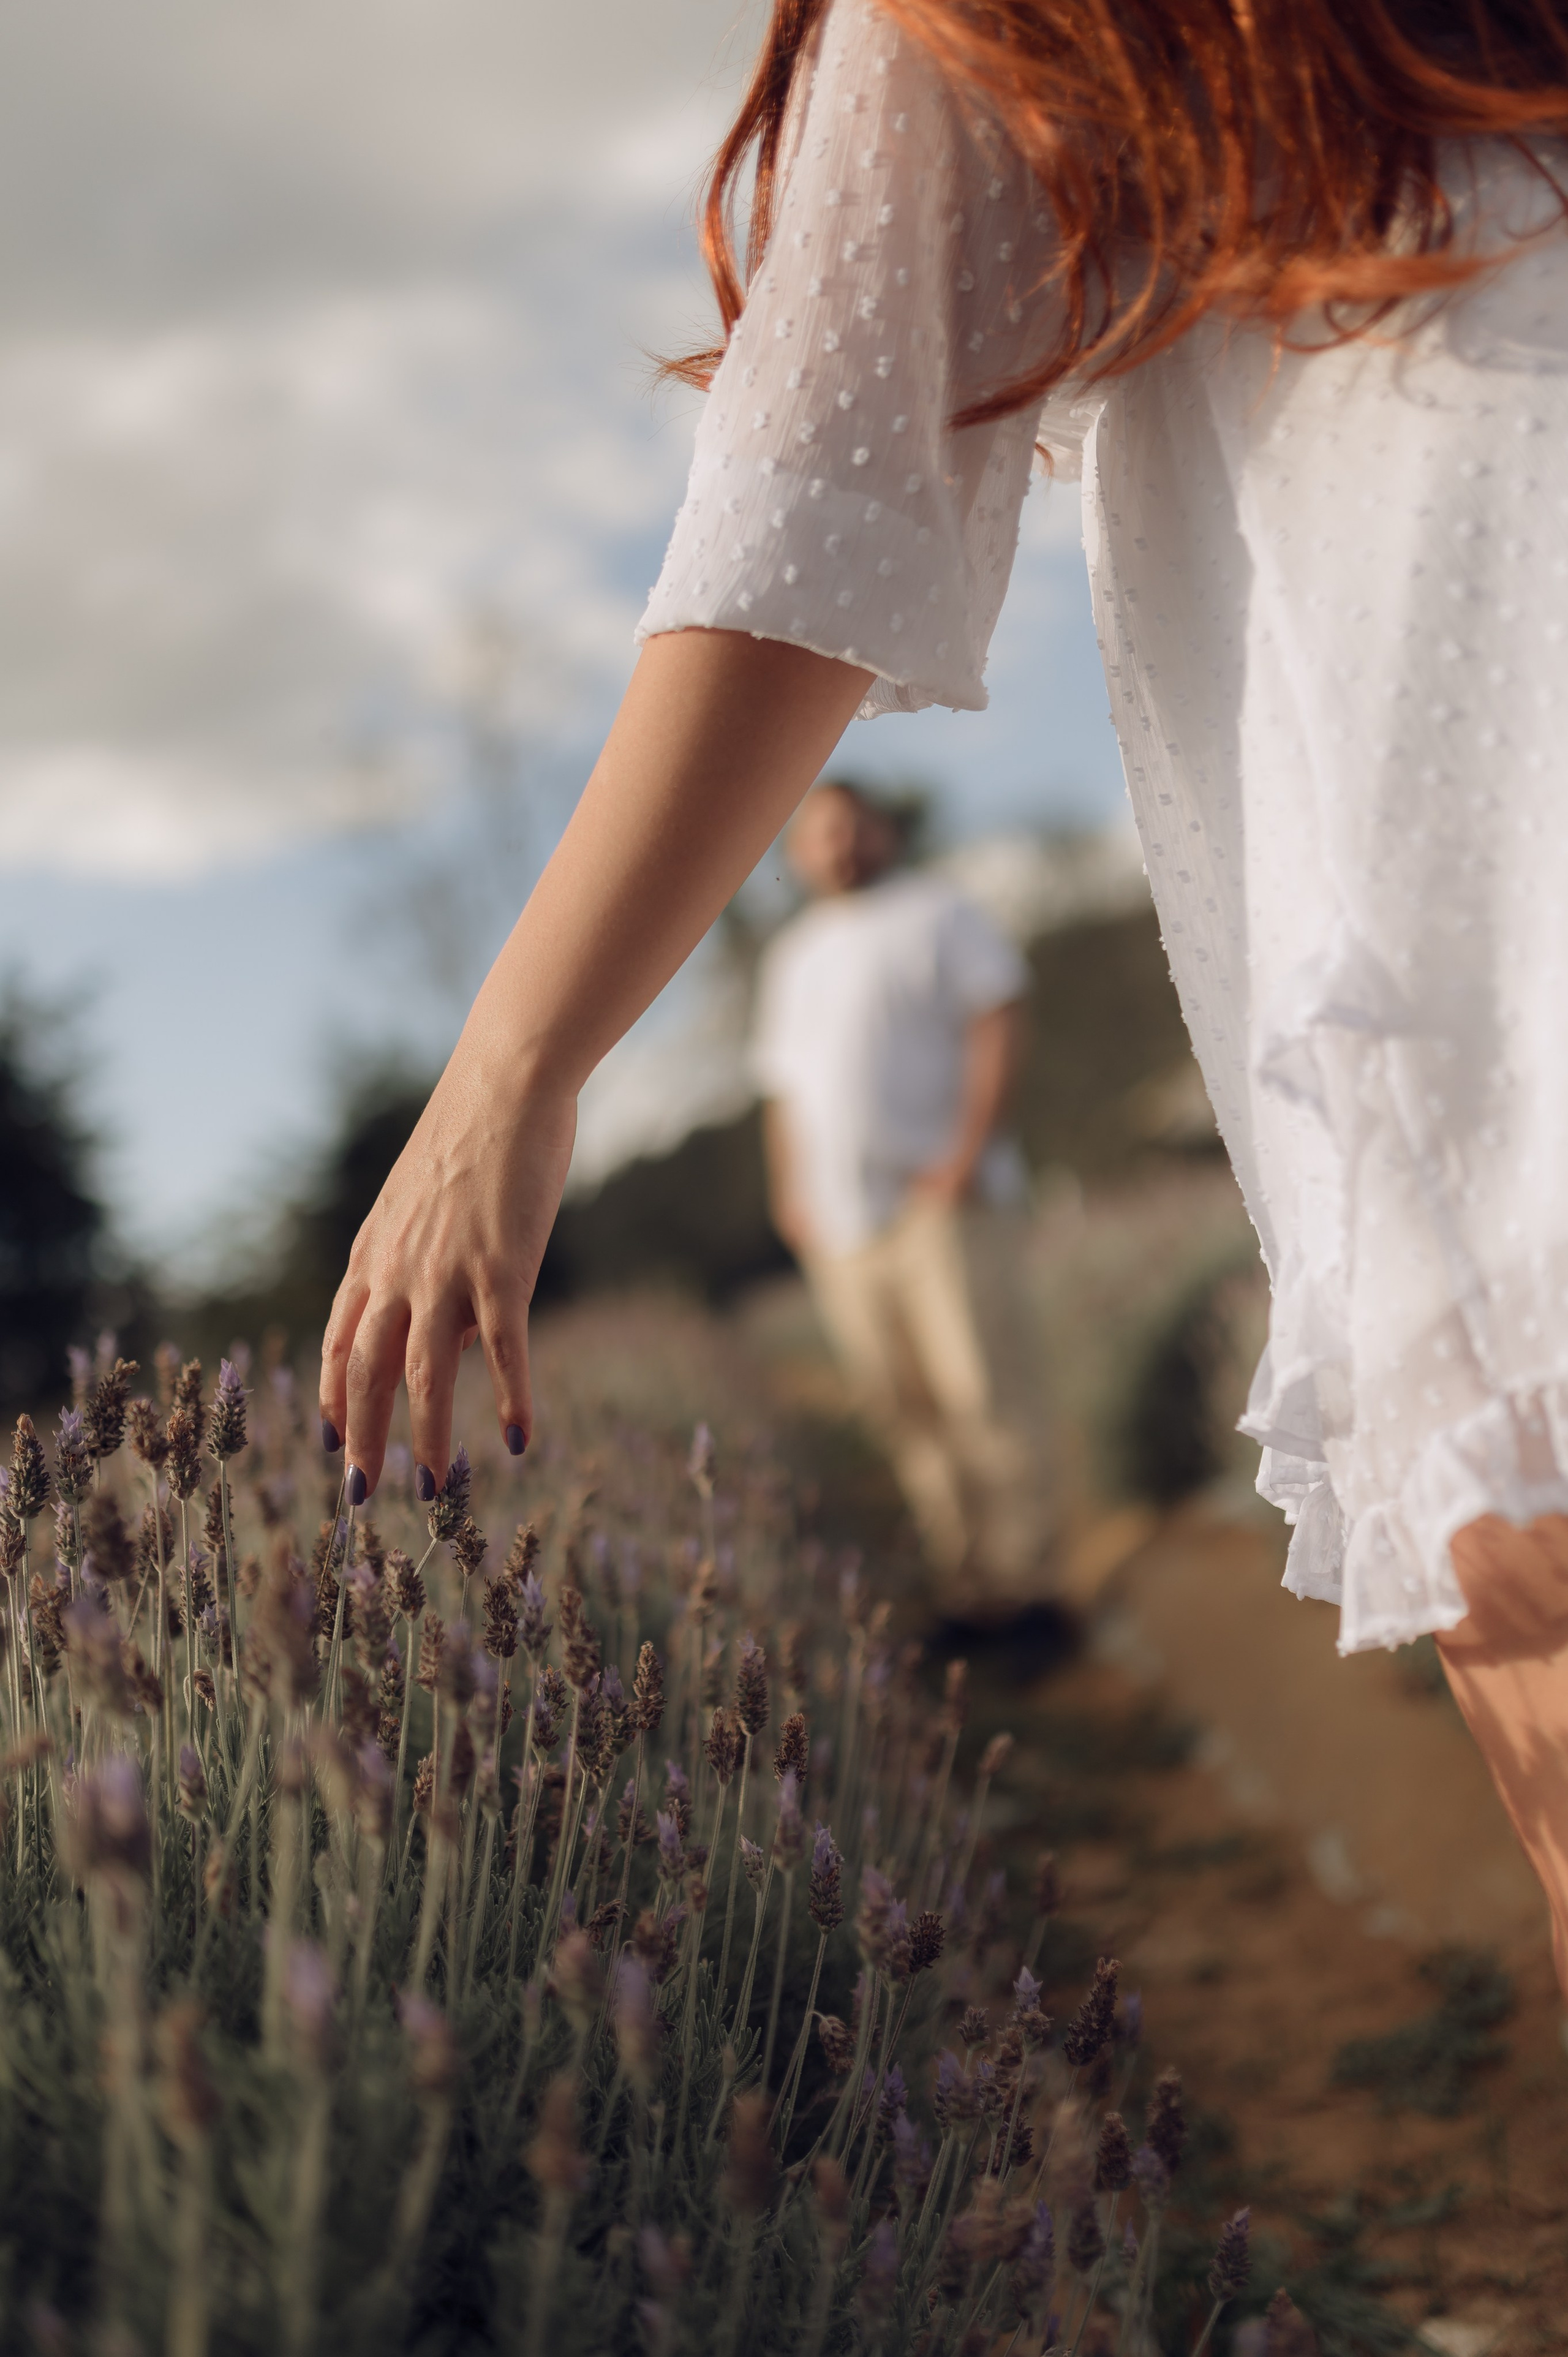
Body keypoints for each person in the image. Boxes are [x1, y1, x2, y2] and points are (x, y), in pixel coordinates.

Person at [319, 0, 1568, 1985]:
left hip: (1466, 700)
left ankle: (1035, 1585)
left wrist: (511, 1064)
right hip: (1437, 681)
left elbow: (809, 518)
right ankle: (1000, 1595)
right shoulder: (813, 959)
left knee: (1522, 1510)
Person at [754, 777, 1054, 1617]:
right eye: (820, 835)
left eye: (854, 828)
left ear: (884, 832)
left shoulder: (938, 912)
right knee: (903, 1410)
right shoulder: (792, 959)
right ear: (797, 856)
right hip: (839, 1225)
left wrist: (965, 1153)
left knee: (983, 1392)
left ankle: (1028, 1583)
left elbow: (998, 1020)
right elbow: (783, 1092)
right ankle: (966, 1579)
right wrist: (791, 1195)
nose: (841, 846)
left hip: (941, 1202)